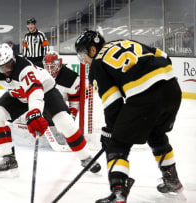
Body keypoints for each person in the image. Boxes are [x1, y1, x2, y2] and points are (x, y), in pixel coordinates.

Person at [0, 43, 101, 178]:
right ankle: (7, 158)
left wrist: (35, 114)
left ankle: (86, 157)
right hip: (18, 95)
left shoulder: (24, 69)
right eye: (1, 66)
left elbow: (35, 92)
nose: (6, 69)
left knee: (64, 122)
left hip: (45, 91)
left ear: (13, 58)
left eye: (9, 64)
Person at [75, 30, 183, 202]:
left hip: (146, 95)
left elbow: (113, 103)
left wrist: (111, 132)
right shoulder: (124, 41)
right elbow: (163, 55)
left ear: (92, 50)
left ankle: (119, 191)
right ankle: (171, 179)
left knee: (117, 144)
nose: (84, 61)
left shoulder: (97, 66)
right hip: (172, 88)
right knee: (155, 132)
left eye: (82, 56)